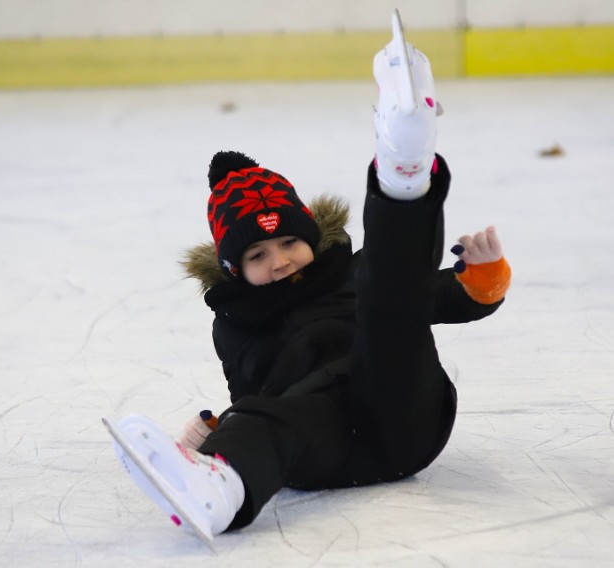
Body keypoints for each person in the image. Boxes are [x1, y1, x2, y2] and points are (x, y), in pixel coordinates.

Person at [105, 19, 511, 544]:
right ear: (233, 269)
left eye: (289, 242)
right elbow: (255, 395)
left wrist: (482, 278)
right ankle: (222, 488)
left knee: (388, 305)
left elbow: (433, 296)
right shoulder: (236, 323)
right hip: (325, 441)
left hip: (404, 411)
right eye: (257, 253)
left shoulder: (350, 272)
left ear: (311, 238)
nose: (280, 260)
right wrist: (220, 433)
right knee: (267, 416)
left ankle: (403, 172)